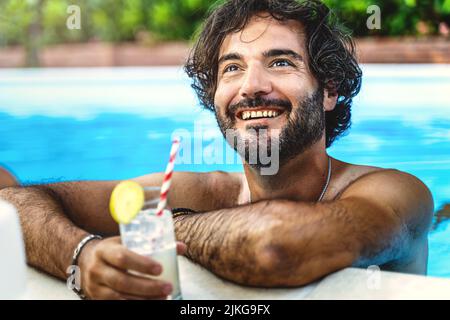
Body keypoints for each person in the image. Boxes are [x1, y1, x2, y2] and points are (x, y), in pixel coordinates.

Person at [0, 0, 433, 300]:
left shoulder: (397, 193)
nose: (251, 86)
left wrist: (166, 227)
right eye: (232, 69)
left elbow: (276, 246)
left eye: (280, 62)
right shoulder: (200, 191)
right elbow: (11, 204)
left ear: (328, 91)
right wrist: (82, 253)